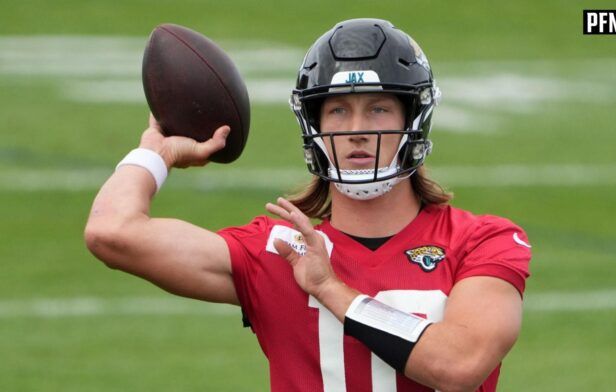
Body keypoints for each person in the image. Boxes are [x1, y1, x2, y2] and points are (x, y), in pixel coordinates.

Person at [85, 18, 531, 392]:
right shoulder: (281, 250)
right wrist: (156, 154)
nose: (357, 129)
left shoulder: (482, 241)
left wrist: (330, 288)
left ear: (413, 119)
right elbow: (112, 232)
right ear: (312, 125)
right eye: (337, 111)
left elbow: (460, 365)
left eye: (378, 109)